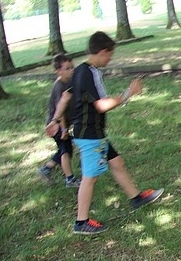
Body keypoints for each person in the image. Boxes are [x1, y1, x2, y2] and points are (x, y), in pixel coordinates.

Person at [68, 31, 163, 235]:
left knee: (117, 162)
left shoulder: (83, 70)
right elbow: (102, 105)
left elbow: (71, 96)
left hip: (95, 132)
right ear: (102, 52)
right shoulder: (87, 73)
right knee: (90, 177)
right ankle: (81, 222)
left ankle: (136, 197)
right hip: (89, 135)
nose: (110, 59)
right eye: (110, 55)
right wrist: (129, 93)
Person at [38, 54, 81, 187]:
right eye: (67, 68)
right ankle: (69, 179)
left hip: (67, 123)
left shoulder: (70, 81)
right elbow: (60, 110)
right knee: (65, 150)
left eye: (72, 67)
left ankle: (46, 169)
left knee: (66, 148)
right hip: (56, 126)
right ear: (58, 71)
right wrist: (63, 129)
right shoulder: (59, 86)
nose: (71, 70)